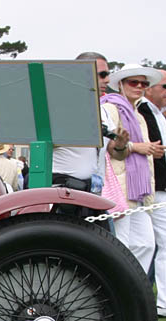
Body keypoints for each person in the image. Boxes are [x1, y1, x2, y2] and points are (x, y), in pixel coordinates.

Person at [102, 64, 165, 275]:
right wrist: (137, 147)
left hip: (138, 188)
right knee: (121, 244)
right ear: (121, 84)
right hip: (120, 186)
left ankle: (132, 288)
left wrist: (149, 150)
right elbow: (108, 147)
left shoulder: (137, 114)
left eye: (144, 83)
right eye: (133, 82)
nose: (139, 86)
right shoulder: (110, 107)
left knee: (146, 244)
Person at [52, 52, 115, 223]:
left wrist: (122, 145)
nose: (107, 80)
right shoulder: (59, 107)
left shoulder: (103, 111)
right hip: (64, 196)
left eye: (108, 74)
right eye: (101, 75)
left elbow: (115, 153)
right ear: (81, 74)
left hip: (93, 195)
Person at [140, 69, 166, 316]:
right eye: (165, 87)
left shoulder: (160, 115)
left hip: (161, 187)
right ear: (151, 89)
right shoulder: (142, 111)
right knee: (148, 243)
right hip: (151, 188)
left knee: (157, 244)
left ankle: (163, 301)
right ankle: (161, 302)